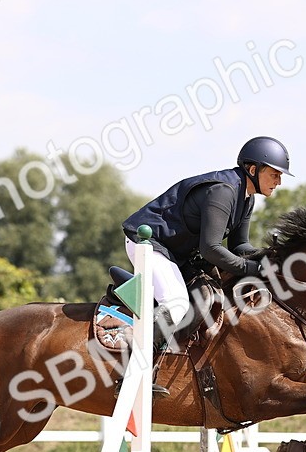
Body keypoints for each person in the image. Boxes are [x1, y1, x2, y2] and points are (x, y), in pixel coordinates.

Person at [121, 136, 291, 351]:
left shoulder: (246, 197)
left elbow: (239, 247)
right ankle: (132, 368)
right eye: (275, 174)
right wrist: (255, 268)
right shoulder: (223, 191)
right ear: (253, 170)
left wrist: (268, 256)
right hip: (147, 243)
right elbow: (210, 249)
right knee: (176, 304)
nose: (279, 182)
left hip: (175, 253)